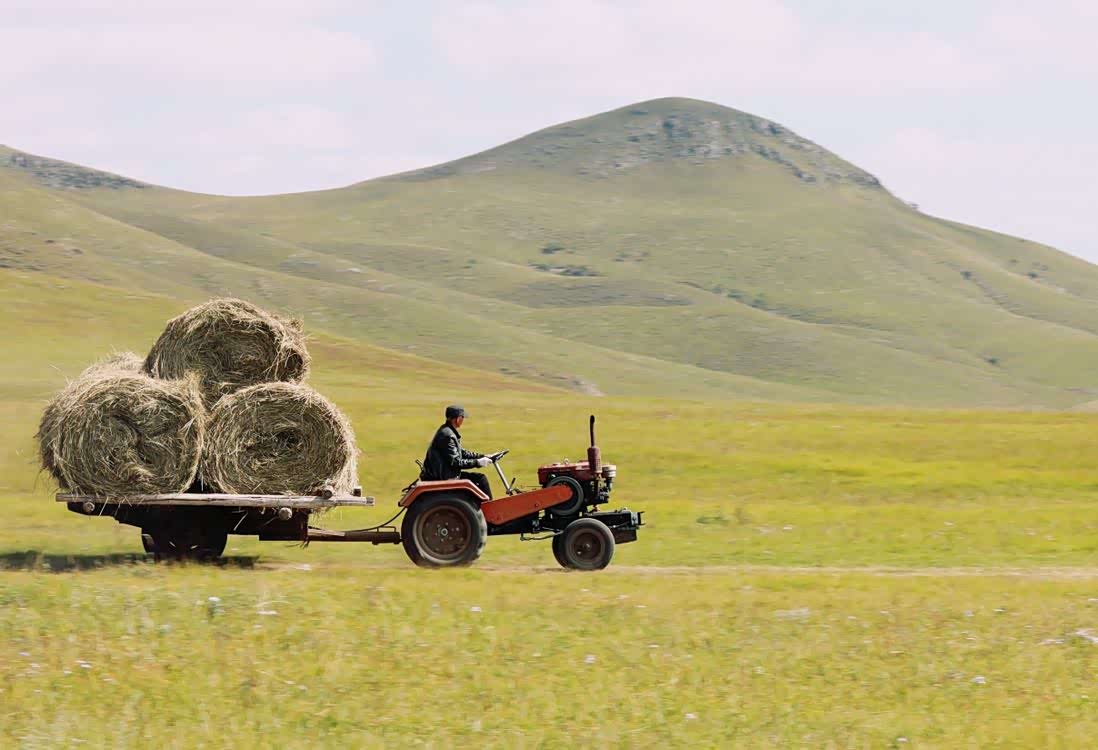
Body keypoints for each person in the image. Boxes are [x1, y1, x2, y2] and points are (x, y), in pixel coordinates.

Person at [420, 405, 494, 499]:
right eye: (462, 417)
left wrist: (483, 456)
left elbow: (461, 452)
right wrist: (477, 462)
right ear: (457, 419)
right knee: (481, 479)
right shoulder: (447, 436)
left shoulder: (447, 431)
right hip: (445, 477)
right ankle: (491, 510)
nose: (463, 420)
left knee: (480, 479)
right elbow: (455, 462)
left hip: (446, 474)